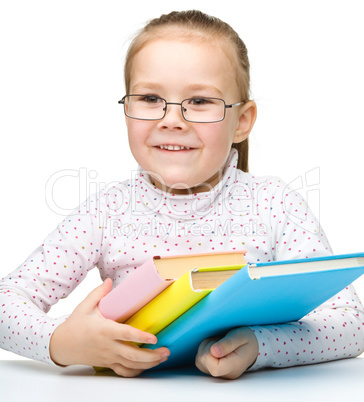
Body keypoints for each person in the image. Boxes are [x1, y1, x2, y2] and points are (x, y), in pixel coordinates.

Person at [1, 10, 363, 380]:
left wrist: (260, 346)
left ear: (242, 121)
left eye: (200, 102)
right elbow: (5, 303)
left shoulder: (274, 204)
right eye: (150, 97)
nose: (172, 119)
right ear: (127, 110)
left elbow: (350, 324)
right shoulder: (106, 212)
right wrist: (61, 342)